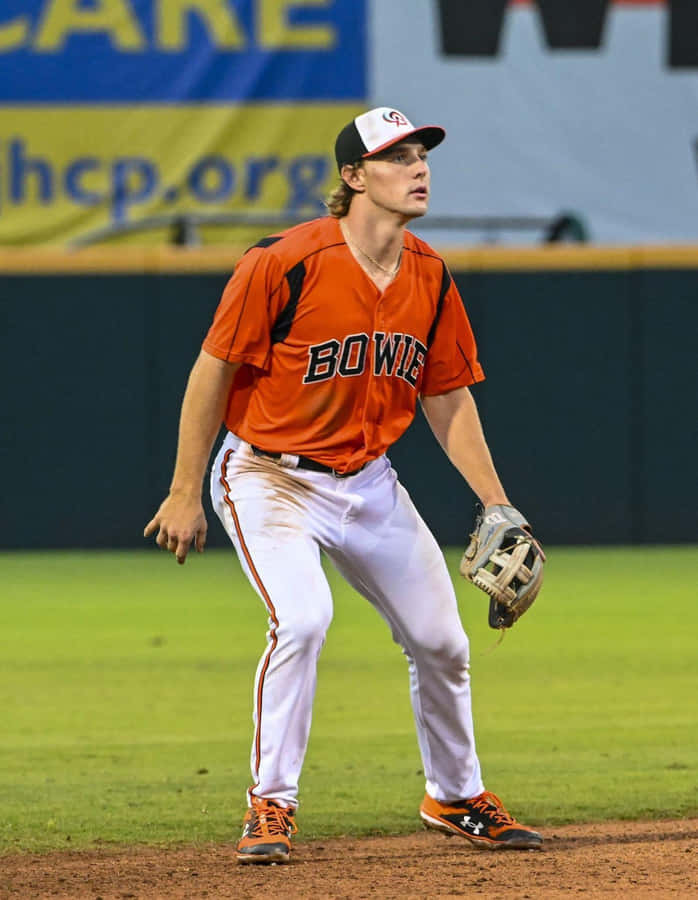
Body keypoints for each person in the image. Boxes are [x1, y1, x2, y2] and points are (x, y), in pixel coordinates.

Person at [144, 106, 543, 863]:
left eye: (422, 154)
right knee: (302, 620)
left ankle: (455, 796)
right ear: (353, 177)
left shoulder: (428, 273)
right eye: (397, 158)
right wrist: (182, 489)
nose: (418, 167)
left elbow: (448, 394)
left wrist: (498, 501)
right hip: (268, 475)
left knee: (442, 641)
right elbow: (213, 369)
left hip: (369, 482)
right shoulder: (284, 261)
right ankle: (270, 806)